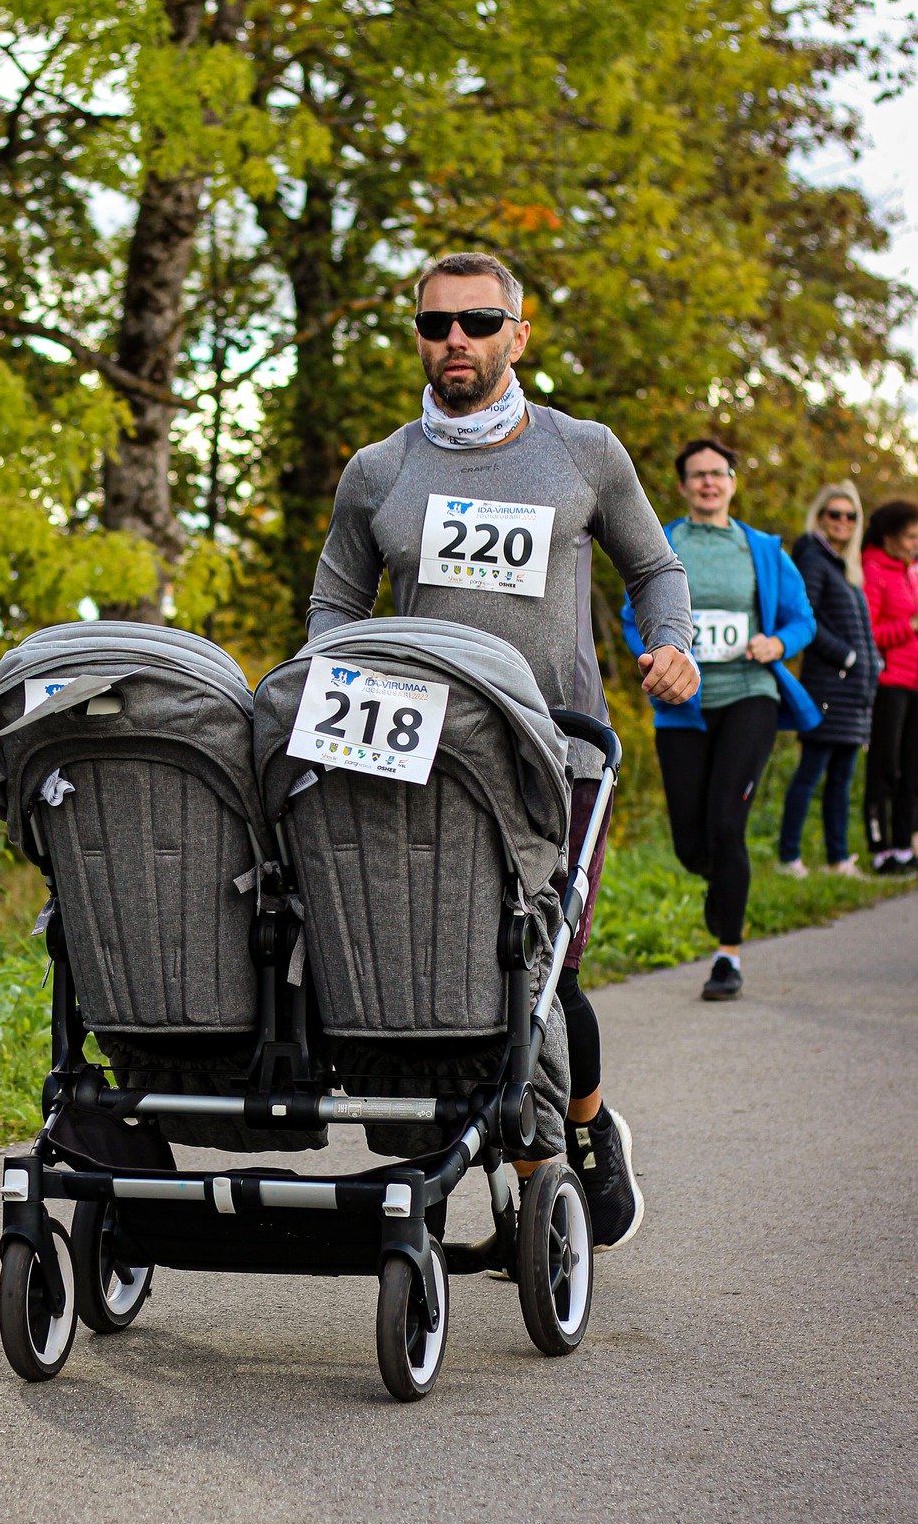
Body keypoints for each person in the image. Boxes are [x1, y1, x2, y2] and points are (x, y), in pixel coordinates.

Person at [308, 250, 698, 1253]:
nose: (455, 342)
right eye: (434, 325)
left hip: (554, 759)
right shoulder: (379, 471)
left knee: (538, 966)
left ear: (518, 335)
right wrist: (323, 682)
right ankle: (469, 1163)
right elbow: (333, 607)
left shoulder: (582, 452)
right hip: (414, 763)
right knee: (425, 972)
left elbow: (654, 565)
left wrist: (672, 646)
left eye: (478, 322)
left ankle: (583, 1127)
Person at [621, 440, 818, 1003]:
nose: (708, 483)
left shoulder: (761, 548)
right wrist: (657, 651)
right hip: (682, 707)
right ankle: (722, 882)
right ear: (682, 486)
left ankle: (727, 955)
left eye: (718, 473)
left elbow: (801, 619)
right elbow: (632, 615)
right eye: (697, 475)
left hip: (749, 697)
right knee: (691, 841)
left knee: (727, 824)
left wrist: (776, 642)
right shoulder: (663, 544)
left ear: (732, 482)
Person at [777, 482, 880, 877]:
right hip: (827, 687)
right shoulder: (813, 561)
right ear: (820, 517)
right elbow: (806, 621)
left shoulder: (844, 567)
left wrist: (872, 663)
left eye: (850, 516)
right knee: (811, 774)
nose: (842, 522)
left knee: (841, 779)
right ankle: (789, 858)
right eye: (834, 514)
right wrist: (848, 655)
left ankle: (839, 860)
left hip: (853, 693)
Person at [860, 498, 918, 874]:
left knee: (912, 768)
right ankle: (879, 848)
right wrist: (910, 626)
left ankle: (904, 845)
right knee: (885, 766)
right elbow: (868, 634)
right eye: (911, 536)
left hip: (914, 683)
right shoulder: (872, 569)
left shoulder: (909, 572)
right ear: (889, 537)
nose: (916, 543)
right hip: (887, 682)